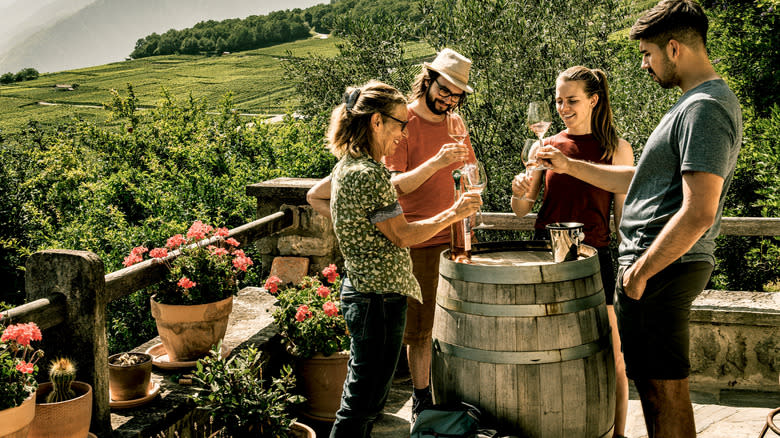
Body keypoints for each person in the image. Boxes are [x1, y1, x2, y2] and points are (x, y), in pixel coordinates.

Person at [535, 1, 743, 436]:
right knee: (652, 388)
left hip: (661, 268)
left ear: (673, 48)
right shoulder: (692, 105)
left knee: (664, 391)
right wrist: (570, 166)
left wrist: (639, 273)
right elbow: (642, 176)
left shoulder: (704, 108)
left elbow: (701, 209)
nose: (645, 65)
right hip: (655, 268)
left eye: (647, 54)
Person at [307, 80, 481, 438]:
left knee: (366, 397)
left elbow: (329, 197)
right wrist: (455, 211)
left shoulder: (352, 166)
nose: (403, 134)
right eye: (400, 124)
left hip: (367, 294)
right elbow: (404, 235)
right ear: (376, 122)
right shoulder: (368, 174)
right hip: (377, 300)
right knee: (363, 402)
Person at [510, 65, 634, 438]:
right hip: (544, 259)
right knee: (544, 353)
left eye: (572, 100)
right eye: (559, 100)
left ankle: (618, 435)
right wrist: (519, 189)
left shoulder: (617, 149)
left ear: (594, 100)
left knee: (613, 357)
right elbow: (522, 209)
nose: (563, 107)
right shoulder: (544, 146)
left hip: (595, 260)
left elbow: (623, 220)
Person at [382, 48, 477, 420]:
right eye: (445, 89)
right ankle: (422, 397)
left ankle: (449, 392)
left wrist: (471, 197)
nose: (449, 99)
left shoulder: (456, 122)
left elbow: (469, 168)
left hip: (455, 233)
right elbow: (394, 185)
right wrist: (437, 162)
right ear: (429, 79)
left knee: (457, 319)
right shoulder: (402, 120)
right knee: (419, 329)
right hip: (418, 236)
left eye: (456, 94)